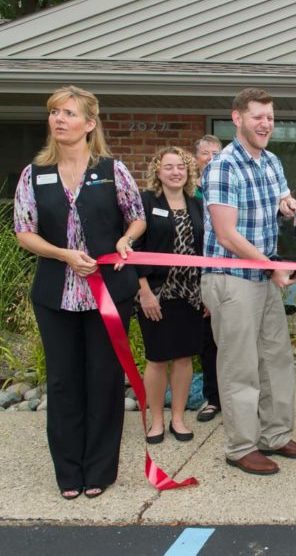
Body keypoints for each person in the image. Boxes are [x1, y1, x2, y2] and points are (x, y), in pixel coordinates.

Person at [13, 85, 145, 499]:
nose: (59, 120)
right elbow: (23, 232)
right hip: (56, 296)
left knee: (105, 380)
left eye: (69, 113)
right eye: (54, 113)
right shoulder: (34, 174)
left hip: (108, 294)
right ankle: (68, 473)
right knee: (64, 382)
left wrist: (125, 241)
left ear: (90, 124)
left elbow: (136, 218)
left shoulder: (112, 170)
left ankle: (100, 472)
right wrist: (63, 254)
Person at [201, 87, 296, 476]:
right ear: (238, 119)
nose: (266, 123)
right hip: (231, 278)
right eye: (258, 116)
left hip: (264, 276)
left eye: (270, 116)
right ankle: (241, 447)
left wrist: (289, 206)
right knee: (240, 366)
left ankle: (276, 436)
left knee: (277, 359)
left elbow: (282, 202)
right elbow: (226, 234)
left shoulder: (271, 162)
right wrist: (272, 267)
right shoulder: (223, 166)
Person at [135, 147, 204, 444]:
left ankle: (178, 418)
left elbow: (205, 252)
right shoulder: (146, 202)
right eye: (169, 167)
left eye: (181, 167)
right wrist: (144, 292)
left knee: (184, 357)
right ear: (158, 171)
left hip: (190, 295)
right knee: (157, 358)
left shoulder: (196, 205)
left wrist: (207, 295)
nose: (176, 172)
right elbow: (135, 249)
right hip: (156, 294)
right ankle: (156, 421)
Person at [193, 134, 223, 423]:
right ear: (197, 158)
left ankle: (235, 398)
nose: (212, 158)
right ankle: (213, 399)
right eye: (206, 153)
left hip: (223, 277)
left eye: (217, 153)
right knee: (208, 344)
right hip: (194, 280)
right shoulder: (189, 194)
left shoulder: (225, 191)